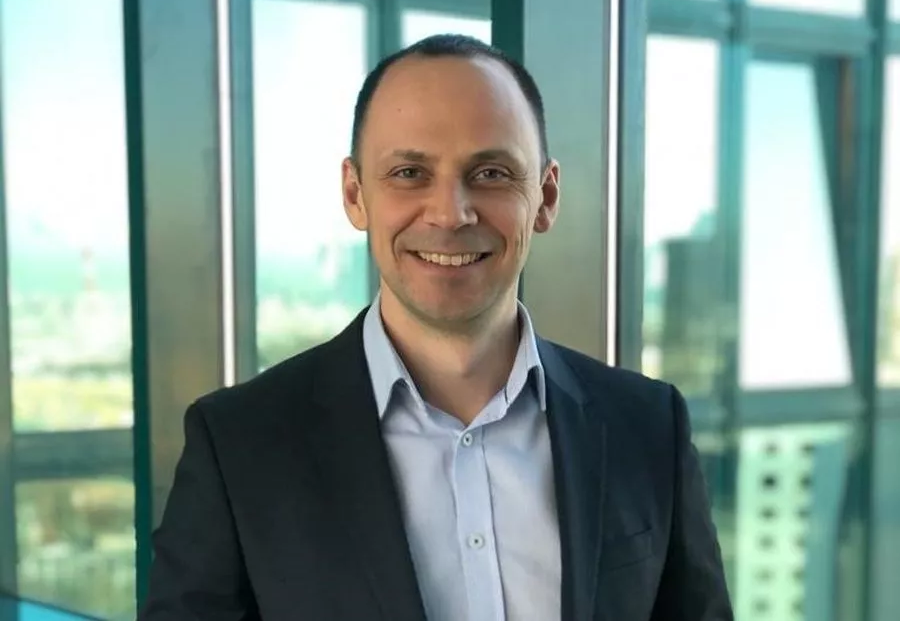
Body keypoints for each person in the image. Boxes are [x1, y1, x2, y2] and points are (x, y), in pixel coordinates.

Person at [139, 34, 733, 621]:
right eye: (409, 173)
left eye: (492, 173)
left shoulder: (648, 427)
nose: (451, 214)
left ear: (546, 196)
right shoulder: (239, 446)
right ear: (355, 194)